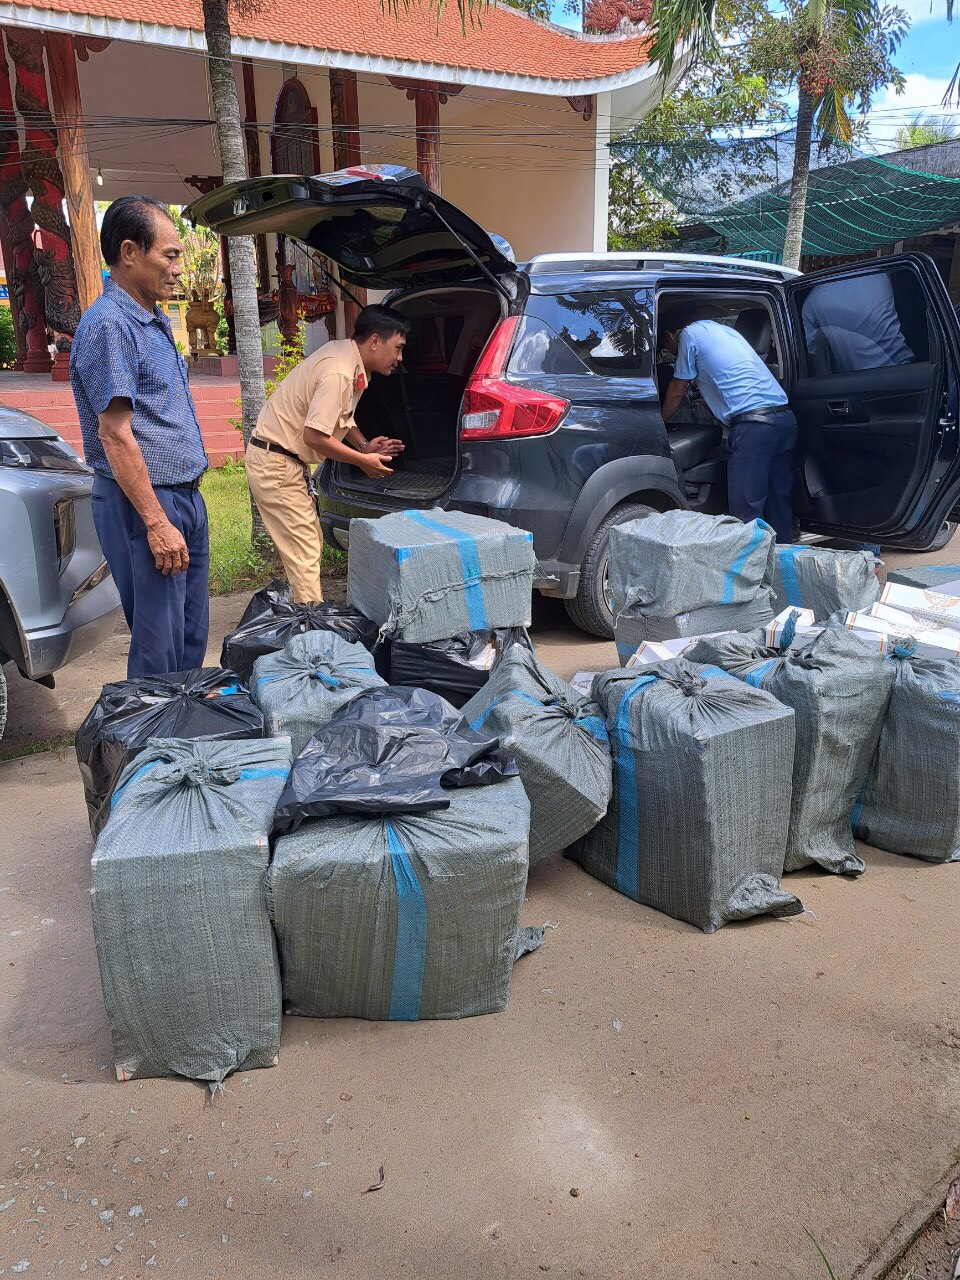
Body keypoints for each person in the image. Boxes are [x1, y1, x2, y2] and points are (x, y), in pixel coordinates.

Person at [69, 194, 209, 679]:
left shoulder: (150, 319)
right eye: (169, 255)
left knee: (190, 634)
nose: (178, 268)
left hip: (182, 496)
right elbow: (114, 434)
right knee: (158, 647)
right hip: (144, 503)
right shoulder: (111, 325)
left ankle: (186, 722)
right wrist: (156, 522)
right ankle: (154, 728)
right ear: (129, 252)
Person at [245, 305, 409, 602]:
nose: (400, 358)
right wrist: (363, 461)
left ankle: (307, 614)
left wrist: (363, 445)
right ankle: (311, 623)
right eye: (397, 348)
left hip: (282, 460)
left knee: (307, 544)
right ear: (375, 341)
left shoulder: (347, 358)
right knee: (304, 550)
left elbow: (339, 415)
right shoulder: (339, 373)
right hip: (276, 463)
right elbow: (315, 437)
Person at [660, 311, 797, 542]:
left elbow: (676, 390)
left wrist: (660, 423)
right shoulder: (724, 332)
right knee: (779, 505)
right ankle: (783, 560)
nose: (670, 353)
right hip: (784, 420)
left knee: (746, 512)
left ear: (669, 336)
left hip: (755, 428)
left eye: (665, 348)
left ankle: (749, 565)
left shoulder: (689, 336)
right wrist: (712, 404)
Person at [801, 273, 913, 375]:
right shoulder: (880, 276)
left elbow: (812, 357)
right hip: (906, 367)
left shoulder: (811, 302)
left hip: (862, 380)